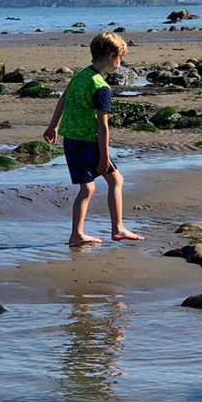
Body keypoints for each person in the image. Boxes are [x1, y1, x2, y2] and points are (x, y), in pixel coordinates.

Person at [43, 31, 143, 246]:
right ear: (110, 55)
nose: (120, 63)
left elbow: (63, 98)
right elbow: (102, 125)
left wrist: (53, 126)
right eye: (121, 58)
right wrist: (104, 157)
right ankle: (118, 229)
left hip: (70, 140)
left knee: (87, 188)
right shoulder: (101, 87)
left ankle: (77, 234)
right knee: (115, 180)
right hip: (89, 141)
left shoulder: (80, 75)